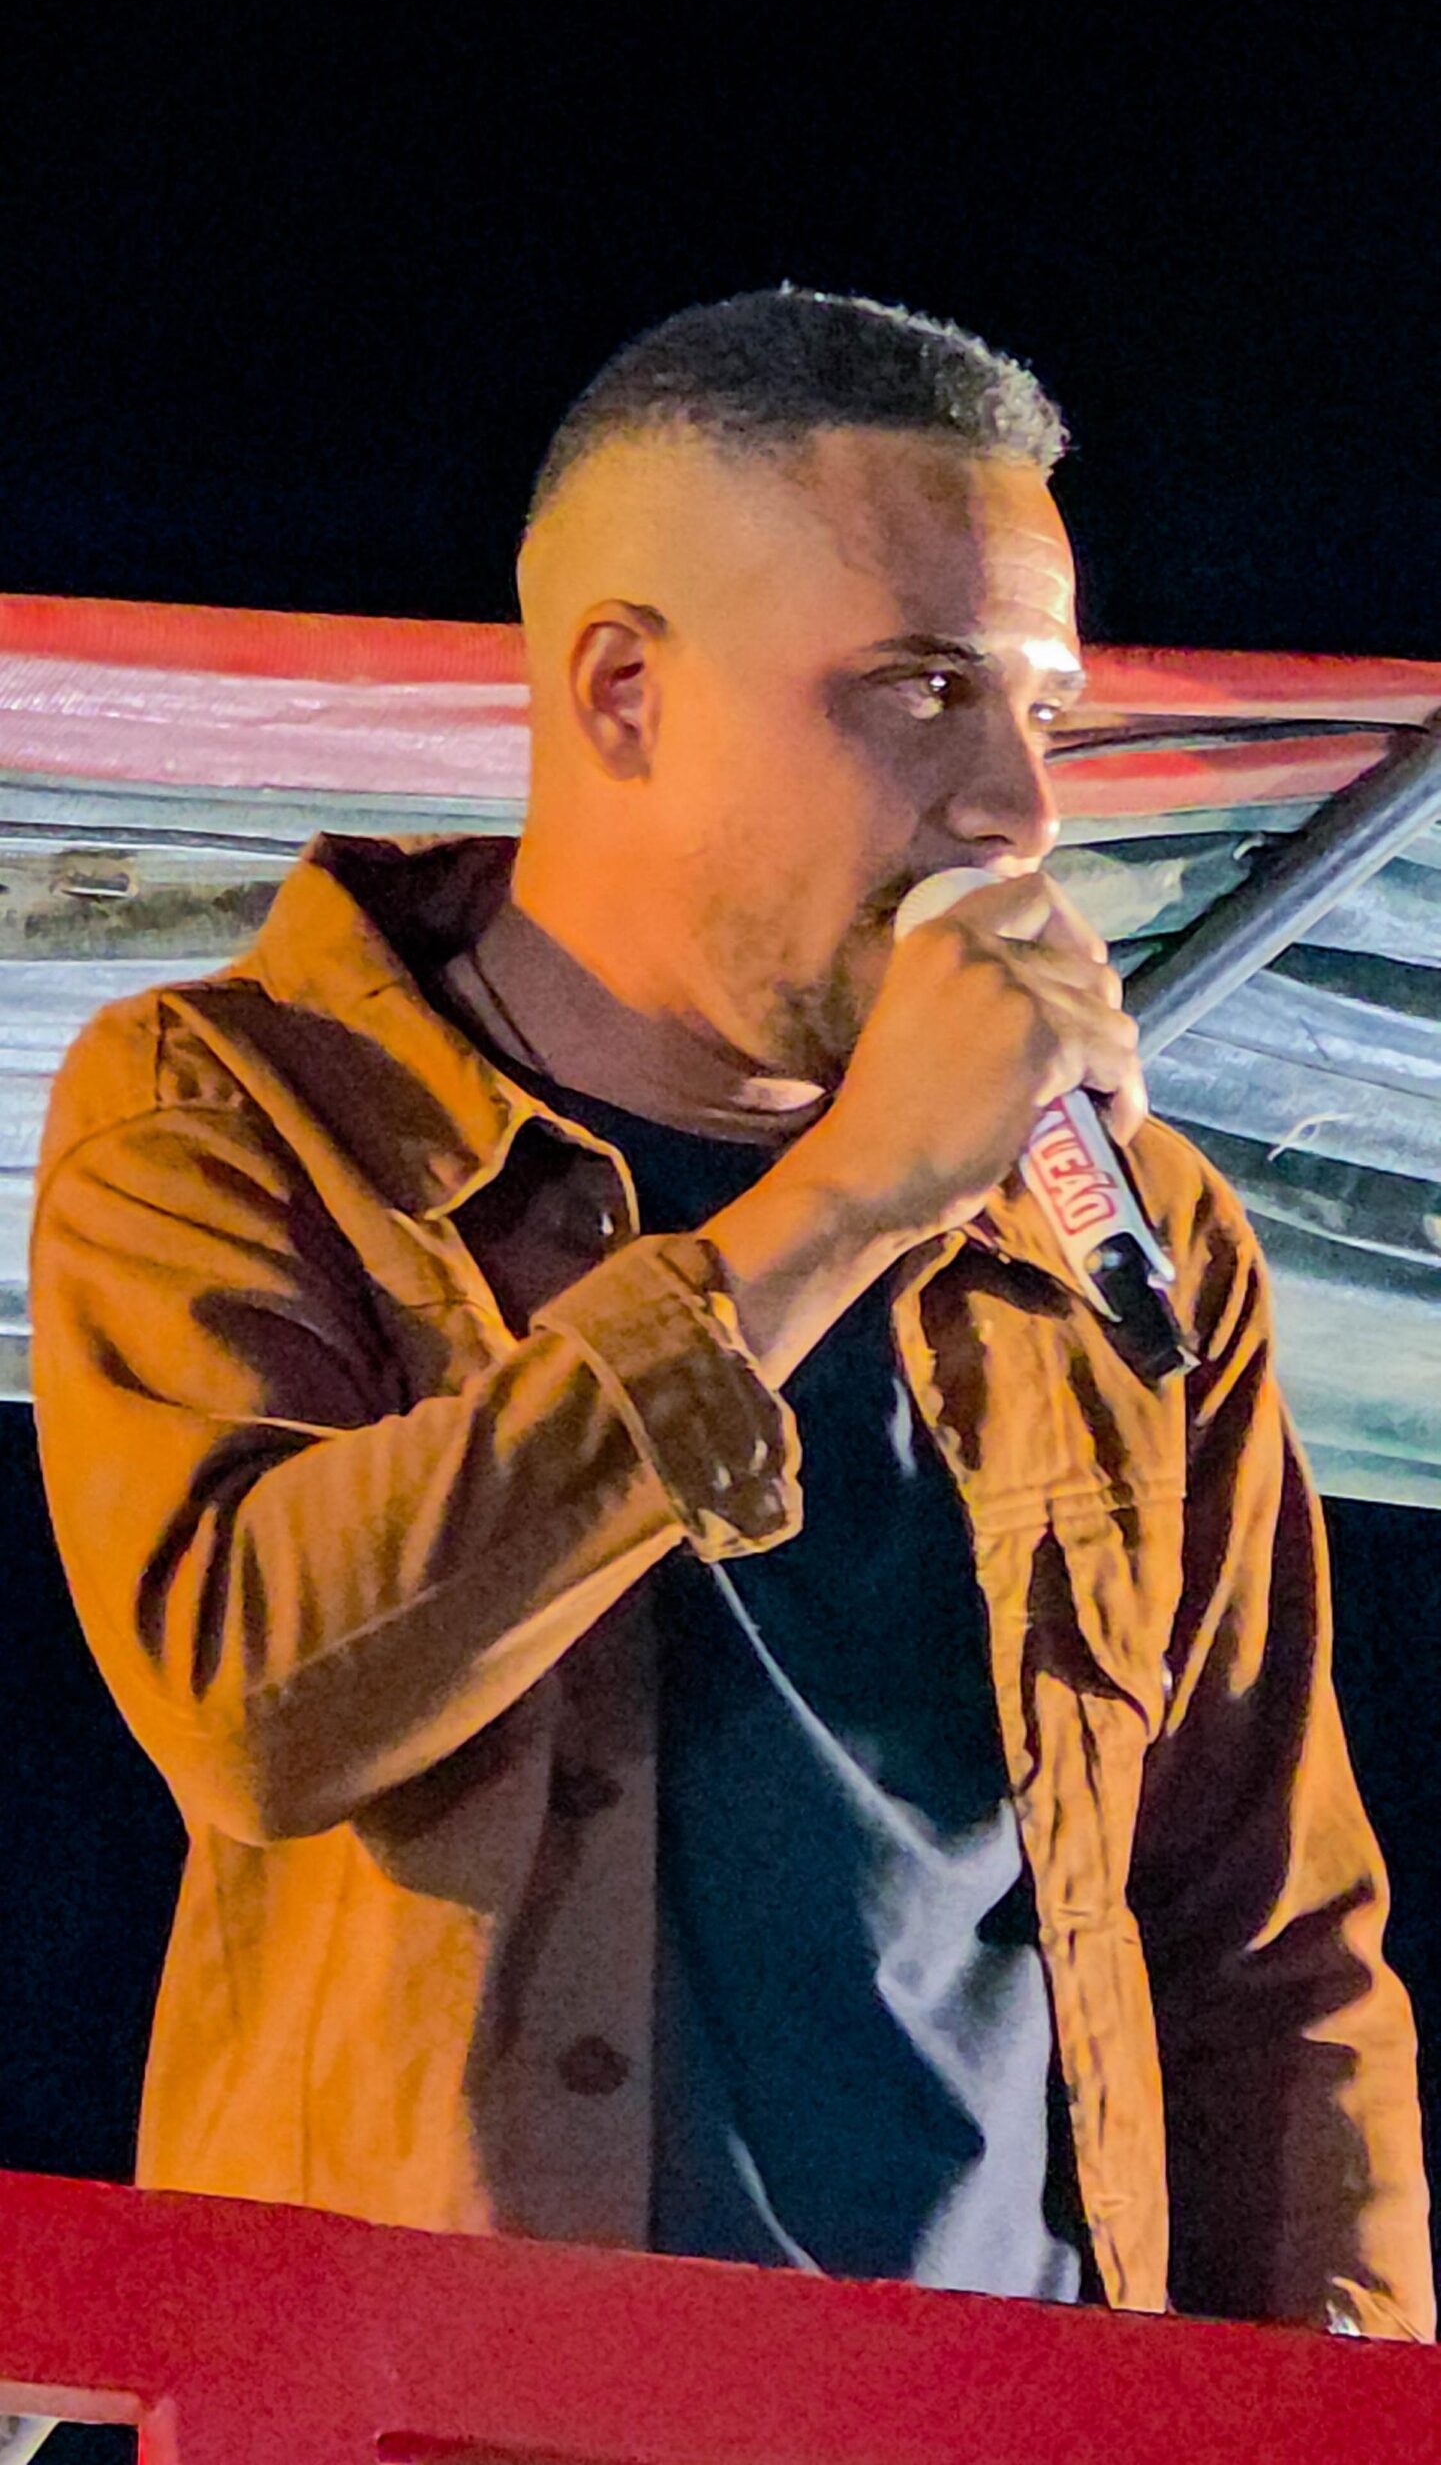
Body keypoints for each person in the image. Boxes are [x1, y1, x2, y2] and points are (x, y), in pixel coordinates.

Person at [29, 288, 1434, 2338]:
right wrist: (844, 1203)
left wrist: (1336, 2411)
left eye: (1038, 713)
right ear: (621, 691)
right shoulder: (238, 1112)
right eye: (916, 689)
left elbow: (1266, 1942)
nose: (1012, 808)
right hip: (466, 2407)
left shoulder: (1134, 1237)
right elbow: (257, 1694)